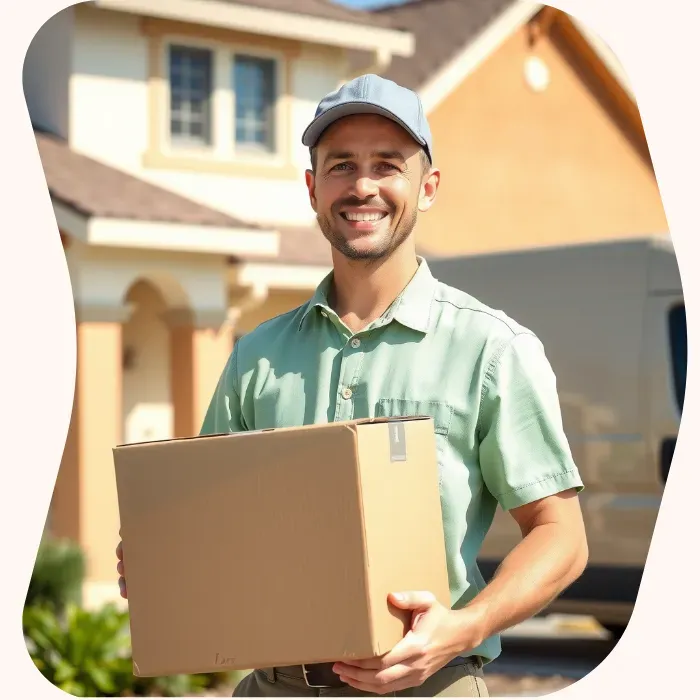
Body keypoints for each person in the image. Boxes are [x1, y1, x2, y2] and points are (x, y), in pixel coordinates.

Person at [116, 74, 588, 697]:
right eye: (341, 166)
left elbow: (561, 536)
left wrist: (464, 626)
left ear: (428, 187)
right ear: (312, 189)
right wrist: (162, 554)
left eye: (386, 165)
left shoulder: (491, 349)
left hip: (427, 686)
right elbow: (215, 530)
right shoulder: (256, 356)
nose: (362, 186)